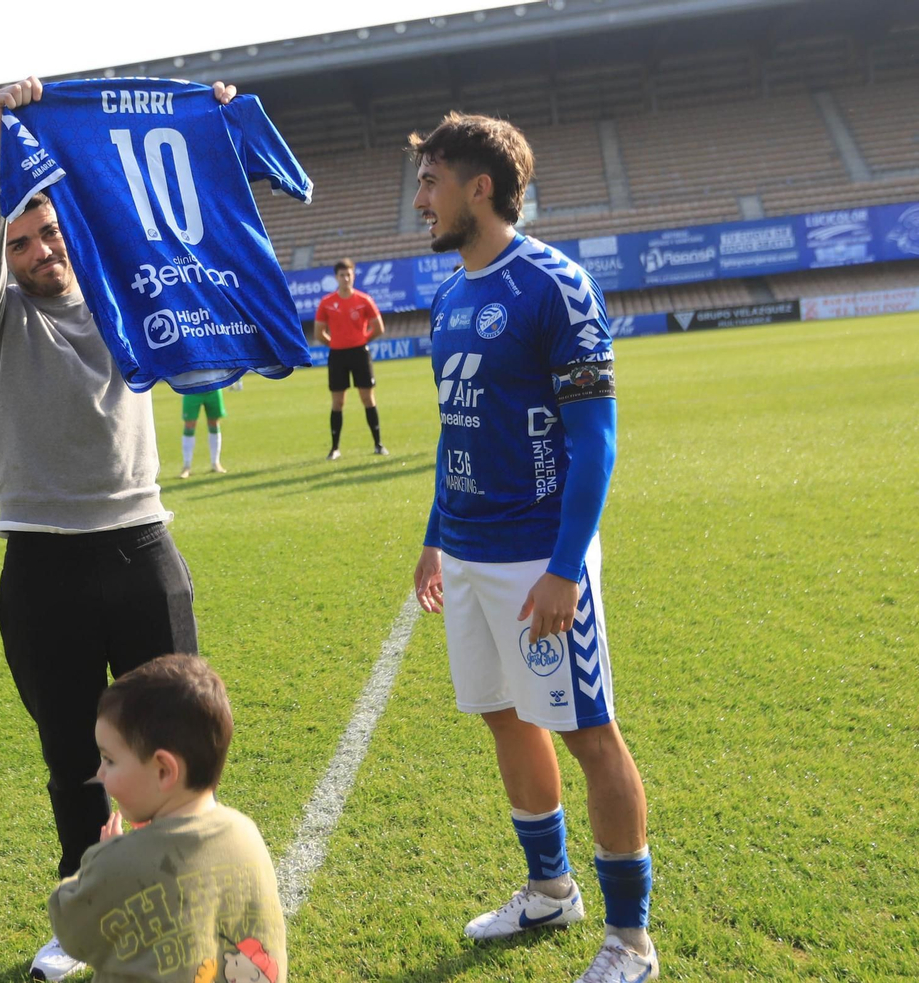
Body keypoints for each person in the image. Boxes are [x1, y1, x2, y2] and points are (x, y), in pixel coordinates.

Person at [0, 76, 218, 981]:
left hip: (143, 550)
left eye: (48, 232)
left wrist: (206, 129)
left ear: (73, 229)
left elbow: (179, 225)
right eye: (19, 242)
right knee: (74, 757)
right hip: (42, 567)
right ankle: (85, 913)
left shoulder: (126, 297)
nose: (38, 250)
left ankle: (182, 902)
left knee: (173, 745)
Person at [407, 112, 657, 983]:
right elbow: (457, 429)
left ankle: (630, 941)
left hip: (536, 557)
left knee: (590, 734)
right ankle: (550, 889)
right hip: (466, 551)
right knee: (502, 715)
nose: (420, 200)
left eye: (431, 181)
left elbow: (597, 442)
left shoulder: (558, 287)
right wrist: (434, 537)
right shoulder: (448, 297)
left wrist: (564, 567)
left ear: (479, 187)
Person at [49, 655, 285, 983]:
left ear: (163, 771)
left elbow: (71, 931)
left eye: (109, 760)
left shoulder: (119, 862)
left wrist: (102, 858)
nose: (100, 773)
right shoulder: (247, 834)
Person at [314, 258, 386, 460]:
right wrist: (336, 343)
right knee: (338, 402)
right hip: (337, 355)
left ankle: (378, 444)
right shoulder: (327, 303)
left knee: (367, 398)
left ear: (353, 276)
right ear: (336, 278)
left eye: (349, 275)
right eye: (342, 275)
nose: (345, 278)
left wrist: (361, 340)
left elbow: (379, 328)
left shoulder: (364, 300)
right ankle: (334, 448)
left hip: (360, 353)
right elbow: (319, 333)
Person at [178, 389, 227, 478]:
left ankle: (216, 463)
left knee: (214, 423)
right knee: (189, 425)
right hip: (192, 389)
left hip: (213, 388)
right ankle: (186, 466)